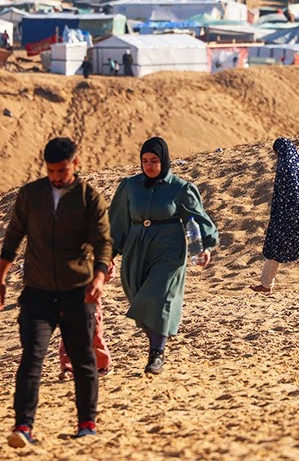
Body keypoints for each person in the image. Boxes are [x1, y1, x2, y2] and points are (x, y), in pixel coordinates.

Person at [0, 137, 111, 445]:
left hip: (78, 291)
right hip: (37, 292)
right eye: (51, 170)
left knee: (82, 358)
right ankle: (23, 427)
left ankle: (87, 422)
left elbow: (103, 243)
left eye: (62, 170)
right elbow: (12, 238)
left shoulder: (89, 198)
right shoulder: (31, 195)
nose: (56, 176)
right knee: (32, 357)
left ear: (76, 164)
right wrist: (1, 276)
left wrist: (99, 278)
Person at [109, 137, 218, 375]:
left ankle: (156, 353)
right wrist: (109, 254)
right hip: (136, 248)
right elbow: (117, 221)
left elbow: (198, 219)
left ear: (164, 160)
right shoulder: (130, 186)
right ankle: (157, 339)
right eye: (145, 161)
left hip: (168, 249)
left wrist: (205, 247)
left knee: (160, 297)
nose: (149, 166)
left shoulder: (180, 188)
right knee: (140, 298)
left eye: (154, 161)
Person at [251, 138, 299, 293]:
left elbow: (284, 192)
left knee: (275, 245)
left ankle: (265, 285)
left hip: (286, 213)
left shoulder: (285, 164)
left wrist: (280, 212)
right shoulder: (298, 163)